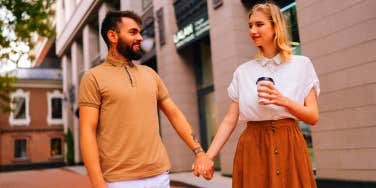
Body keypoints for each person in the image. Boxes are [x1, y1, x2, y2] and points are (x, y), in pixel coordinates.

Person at [79, 10, 213, 188]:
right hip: (120, 181)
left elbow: (174, 114)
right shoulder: (93, 77)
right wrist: (97, 184)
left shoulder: (150, 74)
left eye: (140, 32)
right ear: (112, 35)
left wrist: (199, 152)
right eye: (133, 32)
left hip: (160, 175)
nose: (140, 38)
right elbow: (87, 132)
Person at [193, 2, 319, 188]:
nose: (252, 30)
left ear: (275, 26)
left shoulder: (302, 65)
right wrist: (209, 156)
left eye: (259, 24)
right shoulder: (243, 72)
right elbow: (230, 120)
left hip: (290, 145)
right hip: (253, 148)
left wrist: (283, 101)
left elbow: (313, 116)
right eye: (250, 25)